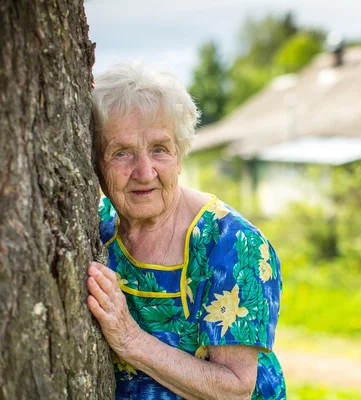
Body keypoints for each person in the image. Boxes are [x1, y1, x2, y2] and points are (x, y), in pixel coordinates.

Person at [87, 63, 286, 400]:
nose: (144, 172)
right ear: (94, 162)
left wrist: (130, 340)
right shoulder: (96, 231)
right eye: (122, 153)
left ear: (179, 156)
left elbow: (235, 389)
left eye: (159, 150)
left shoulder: (234, 246)